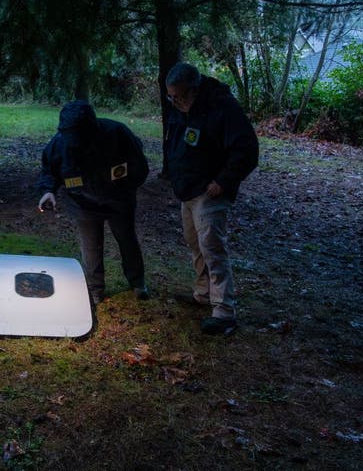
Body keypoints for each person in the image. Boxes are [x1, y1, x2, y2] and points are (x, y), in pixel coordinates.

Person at [163, 62, 258, 335]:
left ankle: (224, 310)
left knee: (212, 247)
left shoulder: (222, 107)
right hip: (188, 189)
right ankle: (204, 293)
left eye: (179, 96)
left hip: (209, 191)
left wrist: (224, 181)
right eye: (171, 96)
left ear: (194, 89)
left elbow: (247, 149)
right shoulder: (180, 108)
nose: (175, 102)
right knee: (195, 244)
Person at [37, 100, 150, 304]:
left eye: (78, 136)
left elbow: (140, 168)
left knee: (127, 240)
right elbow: (49, 170)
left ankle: (138, 283)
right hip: (82, 204)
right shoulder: (60, 143)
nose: (75, 141)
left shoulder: (117, 134)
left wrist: (122, 187)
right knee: (91, 246)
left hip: (118, 202)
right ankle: (95, 290)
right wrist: (48, 191)